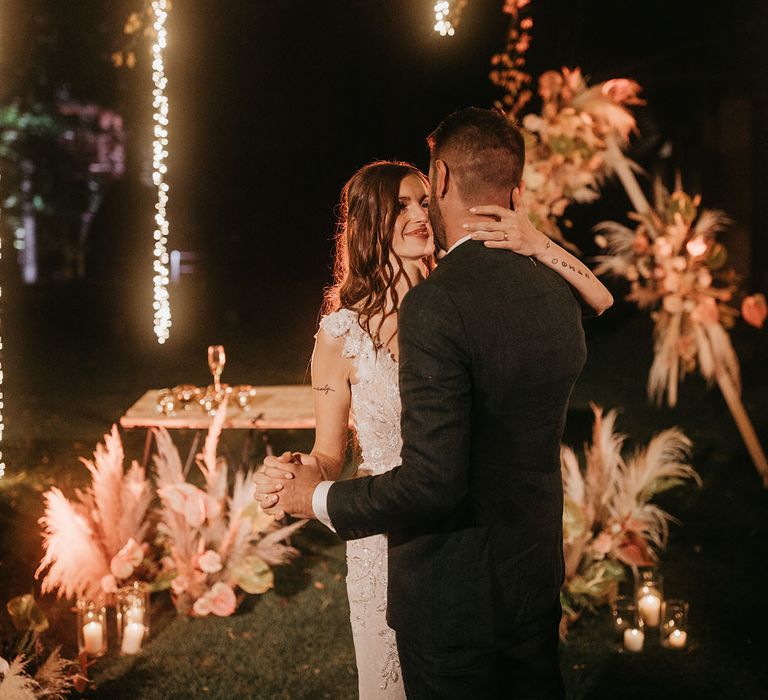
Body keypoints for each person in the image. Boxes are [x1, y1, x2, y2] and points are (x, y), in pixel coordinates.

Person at [255, 108, 611, 699]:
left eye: (424, 199)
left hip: (447, 549)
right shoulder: (339, 336)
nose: (420, 215)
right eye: (401, 206)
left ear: (441, 185)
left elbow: (598, 298)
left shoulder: (453, 295)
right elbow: (329, 453)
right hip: (387, 543)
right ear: (369, 222)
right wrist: (298, 476)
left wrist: (536, 239)